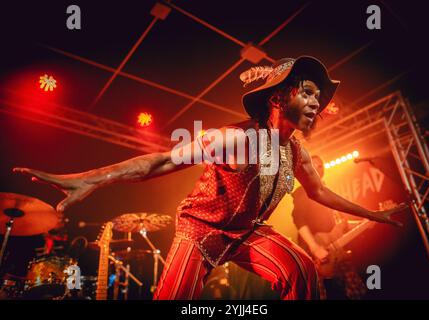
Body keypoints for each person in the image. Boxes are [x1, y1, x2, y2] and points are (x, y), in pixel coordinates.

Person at [13, 56, 406, 300]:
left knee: (301, 271)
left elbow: (319, 191)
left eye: (318, 95)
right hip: (202, 230)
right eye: (307, 92)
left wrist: (375, 215)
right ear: (277, 98)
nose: (317, 101)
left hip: (249, 230)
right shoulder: (236, 139)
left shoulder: (295, 150)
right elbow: (161, 162)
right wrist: (90, 179)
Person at [292, 155, 367, 299]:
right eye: (313, 165)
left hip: (336, 250)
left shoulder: (327, 193)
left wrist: (366, 222)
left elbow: (342, 225)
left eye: (320, 165)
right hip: (317, 253)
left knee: (357, 290)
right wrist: (314, 247)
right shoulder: (302, 192)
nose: (317, 168)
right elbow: (299, 220)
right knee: (319, 294)